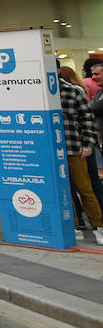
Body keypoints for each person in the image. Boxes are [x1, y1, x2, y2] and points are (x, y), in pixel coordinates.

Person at [57, 66, 103, 245]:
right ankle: (73, 225)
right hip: (52, 150)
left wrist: (88, 143)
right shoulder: (38, 93)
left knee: (85, 188)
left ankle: (98, 225)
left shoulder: (72, 91)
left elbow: (87, 118)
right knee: (64, 190)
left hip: (73, 146)